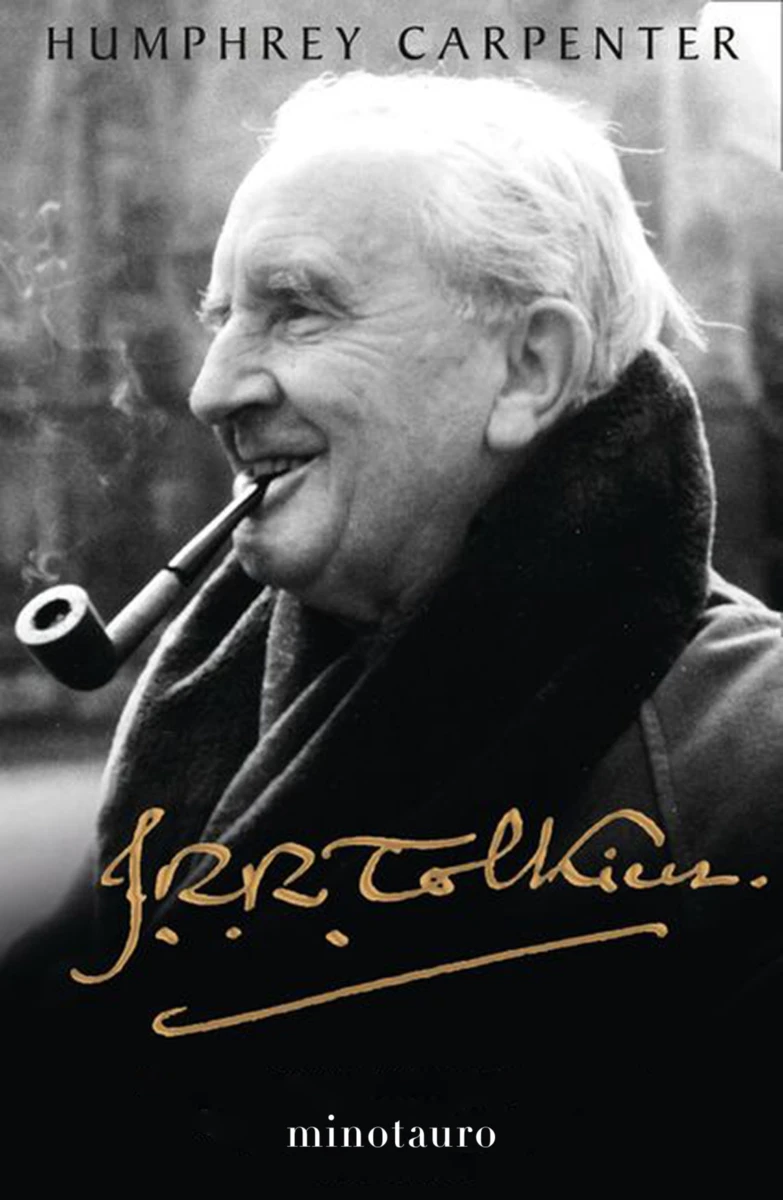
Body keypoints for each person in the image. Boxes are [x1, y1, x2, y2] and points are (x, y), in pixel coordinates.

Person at [3, 72, 783, 1183]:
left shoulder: (753, 768)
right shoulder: (211, 693)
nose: (212, 389)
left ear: (529, 369)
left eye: (296, 308)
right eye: (220, 317)